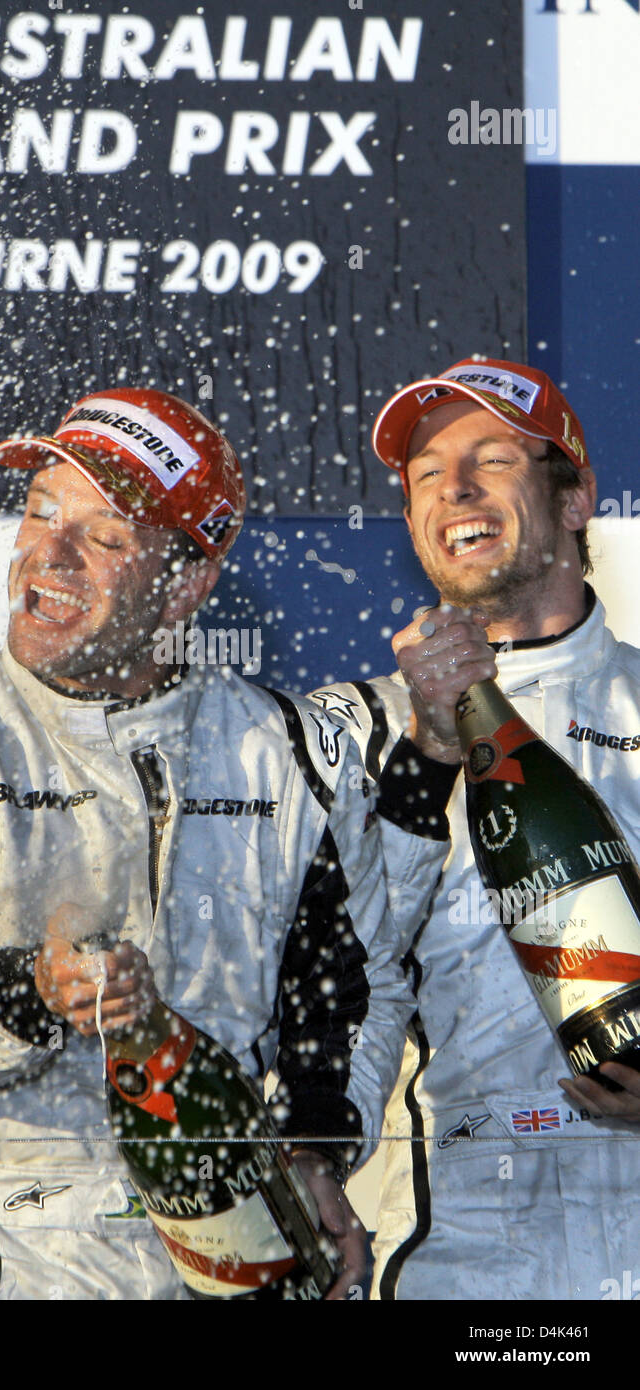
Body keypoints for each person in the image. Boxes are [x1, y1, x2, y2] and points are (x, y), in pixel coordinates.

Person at [0, 386, 446, 1301]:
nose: (49, 553)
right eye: (39, 511)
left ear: (185, 582)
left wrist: (315, 1150)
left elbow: (351, 993)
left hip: (235, 1275)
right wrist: (27, 989)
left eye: (105, 536)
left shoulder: (288, 749)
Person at [311, 356, 640, 1300]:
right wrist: (317, 1157)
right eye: (424, 475)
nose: (452, 486)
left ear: (576, 502)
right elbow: (339, 983)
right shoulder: (346, 732)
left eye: (491, 458)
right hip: (472, 1251)